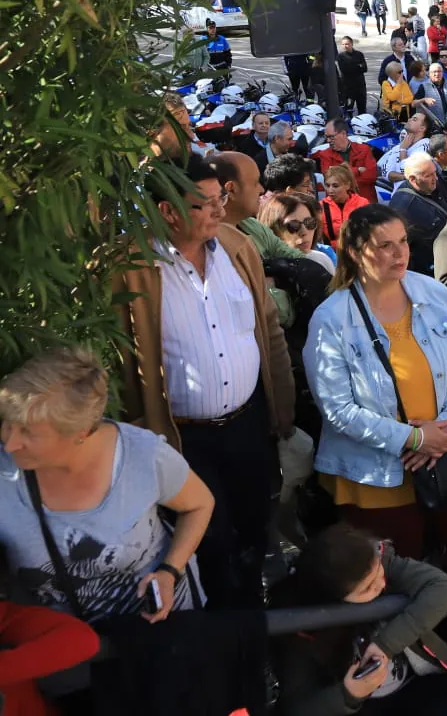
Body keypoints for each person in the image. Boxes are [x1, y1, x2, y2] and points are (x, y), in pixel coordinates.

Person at [111, 159, 291, 609]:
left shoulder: (238, 248)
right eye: (205, 203)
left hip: (247, 426)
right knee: (208, 543)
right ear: (167, 211)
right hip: (181, 437)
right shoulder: (128, 266)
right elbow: (118, 361)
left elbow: (267, 329)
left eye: (221, 199)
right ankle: (219, 637)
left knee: (254, 533)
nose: (218, 210)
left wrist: (281, 412)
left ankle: (252, 632)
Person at [303, 204, 447, 581]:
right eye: (385, 245)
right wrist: (413, 438)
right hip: (378, 475)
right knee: (396, 577)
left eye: (403, 242)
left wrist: (445, 431)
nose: (400, 252)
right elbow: (337, 409)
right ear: (356, 253)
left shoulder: (435, 293)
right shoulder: (331, 318)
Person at [0, 347, 215, 629]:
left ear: (80, 434)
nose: (10, 443)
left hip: (158, 633)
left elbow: (200, 504)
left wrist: (169, 570)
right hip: (62, 650)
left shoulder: (143, 455)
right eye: (8, 424)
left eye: (29, 432)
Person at [272, 523, 447, 715]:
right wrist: (349, 694)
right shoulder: (299, 627)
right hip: (360, 707)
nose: (380, 584)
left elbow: (444, 588)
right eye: (367, 588)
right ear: (334, 599)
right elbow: (297, 706)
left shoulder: (377, 561)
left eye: (378, 573)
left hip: (411, 684)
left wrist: (386, 644)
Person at [314, 117, 380, 200]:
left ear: (343, 134)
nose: (328, 140)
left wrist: (340, 173)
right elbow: (329, 178)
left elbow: (371, 176)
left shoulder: (364, 149)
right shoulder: (325, 154)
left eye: (331, 137)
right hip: (338, 204)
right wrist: (358, 170)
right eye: (326, 137)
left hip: (365, 202)